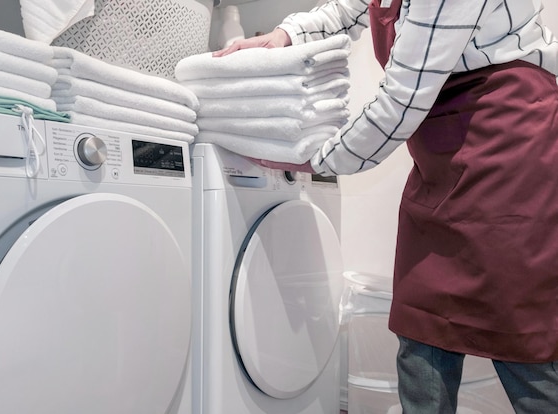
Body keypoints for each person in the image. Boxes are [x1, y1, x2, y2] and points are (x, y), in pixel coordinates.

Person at [213, 0, 558, 412]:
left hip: (508, 149)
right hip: (442, 154)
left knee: (521, 332)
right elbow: (349, 9)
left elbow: (399, 103)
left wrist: (319, 159)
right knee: (421, 322)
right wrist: (288, 33)